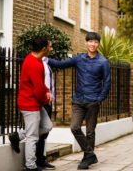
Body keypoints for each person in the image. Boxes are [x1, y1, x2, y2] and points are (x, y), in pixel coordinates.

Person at [48, 32, 111, 170]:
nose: (93, 44)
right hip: (78, 100)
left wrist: (99, 99)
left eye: (95, 42)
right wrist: (45, 59)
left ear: (98, 44)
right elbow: (61, 64)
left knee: (90, 131)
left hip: (93, 101)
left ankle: (86, 159)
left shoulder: (103, 62)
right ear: (86, 43)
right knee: (74, 127)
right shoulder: (79, 58)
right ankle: (90, 154)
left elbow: (107, 83)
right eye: (90, 41)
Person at [9, 37, 53, 171]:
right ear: (44, 49)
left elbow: (40, 84)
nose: (51, 49)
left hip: (35, 103)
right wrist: (46, 99)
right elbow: (38, 89)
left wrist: (47, 91)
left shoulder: (36, 60)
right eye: (50, 46)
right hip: (29, 104)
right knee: (32, 137)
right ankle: (30, 166)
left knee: (47, 126)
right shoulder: (33, 63)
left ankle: (18, 135)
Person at [35, 53, 56, 170]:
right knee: (40, 130)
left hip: (47, 101)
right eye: (50, 46)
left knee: (44, 132)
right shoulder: (37, 63)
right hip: (42, 101)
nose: (51, 48)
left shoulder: (45, 62)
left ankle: (41, 159)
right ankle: (36, 160)